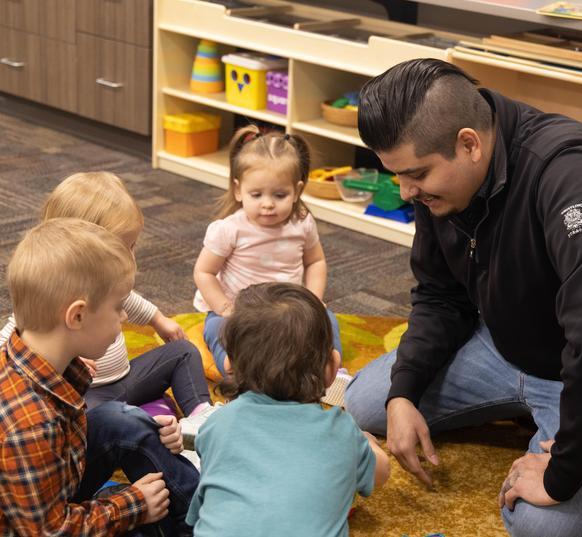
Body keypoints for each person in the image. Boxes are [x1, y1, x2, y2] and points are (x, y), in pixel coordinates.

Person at [343, 58, 582, 536]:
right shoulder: (439, 186)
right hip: (513, 343)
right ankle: (530, 409)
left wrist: (562, 473)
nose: (404, 190)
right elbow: (440, 295)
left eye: (415, 174)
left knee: (541, 525)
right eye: (396, 174)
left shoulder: (570, 175)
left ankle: (560, 426)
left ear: (469, 144)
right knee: (372, 403)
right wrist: (405, 390)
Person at [0, 218, 199, 536]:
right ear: (77, 316)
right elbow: (47, 532)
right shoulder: (30, 425)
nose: (124, 317)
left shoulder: (39, 360)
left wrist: (147, 428)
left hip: (53, 491)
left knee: (121, 419)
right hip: (40, 527)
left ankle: (204, 512)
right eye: (118, 308)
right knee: (140, 525)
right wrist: (131, 505)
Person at [0, 172, 214, 425]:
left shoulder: (105, 285)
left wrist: (158, 320)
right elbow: (12, 343)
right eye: (125, 247)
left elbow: (128, 300)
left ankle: (202, 417)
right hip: (88, 398)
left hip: (126, 378)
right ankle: (134, 425)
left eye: (132, 246)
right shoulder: (43, 299)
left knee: (183, 352)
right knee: (111, 422)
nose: (132, 257)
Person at [186, 282, 389, 536]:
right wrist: (367, 444)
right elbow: (381, 473)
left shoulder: (217, 424)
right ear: (332, 366)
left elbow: (206, 501)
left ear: (231, 366)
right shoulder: (343, 431)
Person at [193, 126, 342, 380]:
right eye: (256, 194)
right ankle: (233, 367)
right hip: (240, 311)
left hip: (288, 310)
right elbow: (204, 272)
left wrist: (314, 299)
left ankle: (330, 363)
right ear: (238, 190)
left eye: (280, 194)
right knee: (217, 328)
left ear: (297, 190)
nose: (268, 203)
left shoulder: (302, 223)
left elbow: (316, 261)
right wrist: (224, 307)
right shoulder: (229, 229)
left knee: (327, 319)